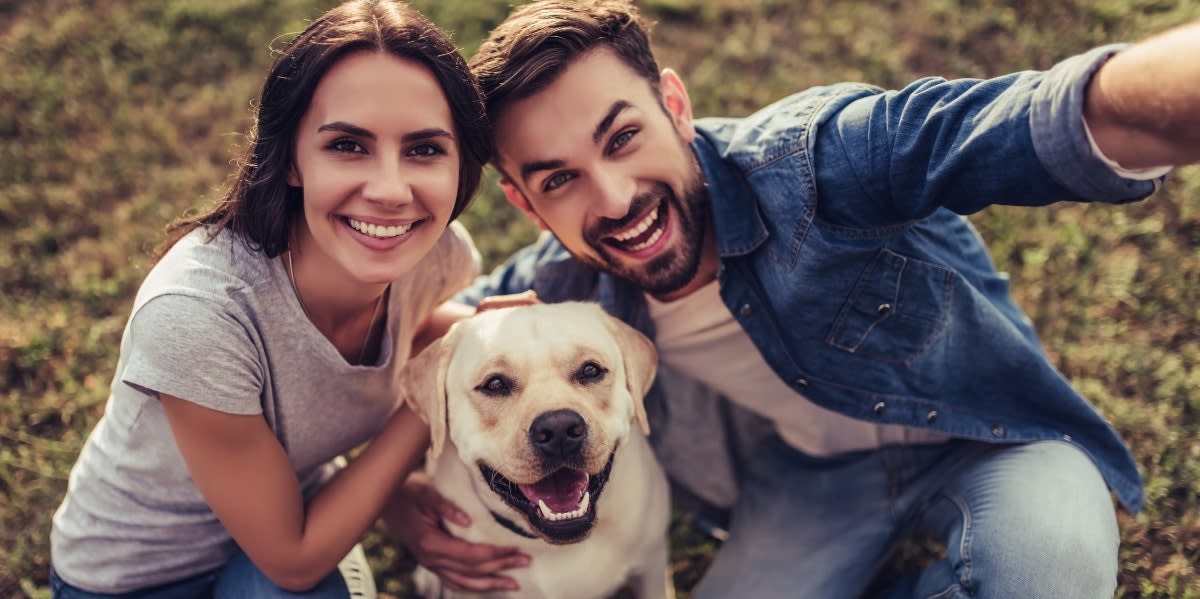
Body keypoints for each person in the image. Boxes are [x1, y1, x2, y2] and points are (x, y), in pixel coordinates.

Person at [387, 0, 1200, 597]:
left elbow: (1020, 122)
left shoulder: (819, 164)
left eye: (623, 137)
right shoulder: (566, 289)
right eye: (559, 178)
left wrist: (1162, 92)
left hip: (991, 435)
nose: (613, 198)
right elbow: (395, 340)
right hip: (811, 477)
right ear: (526, 203)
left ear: (675, 106)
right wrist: (399, 491)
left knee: (1044, 575)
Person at [46, 1, 518, 597]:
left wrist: (485, 339)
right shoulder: (197, 313)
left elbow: (414, 332)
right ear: (292, 158)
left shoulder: (434, 256)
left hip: (277, 549)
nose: (392, 191)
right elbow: (293, 556)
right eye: (348, 146)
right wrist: (438, 391)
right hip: (130, 579)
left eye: (425, 149)